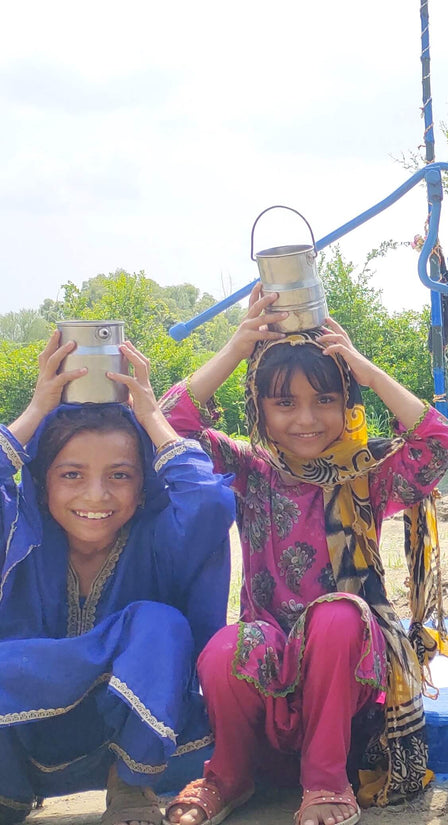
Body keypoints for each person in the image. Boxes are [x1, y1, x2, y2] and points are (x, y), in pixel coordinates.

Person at [160, 287, 448, 825]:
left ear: (348, 405)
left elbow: (437, 444)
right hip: (271, 672)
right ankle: (227, 775)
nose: (306, 419)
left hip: (354, 684)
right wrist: (235, 349)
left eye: (326, 400)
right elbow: (168, 425)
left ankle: (326, 784)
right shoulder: (251, 470)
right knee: (226, 646)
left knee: (339, 615)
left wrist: (366, 370)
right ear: (260, 408)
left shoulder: (366, 475)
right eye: (284, 403)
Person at [0, 332, 234, 825]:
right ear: (43, 482)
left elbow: (210, 503)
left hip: (137, 744)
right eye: (71, 475)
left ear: (143, 481)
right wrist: (36, 411)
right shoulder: (19, 533)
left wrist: (151, 417)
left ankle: (130, 789)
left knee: (160, 623)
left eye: (120, 475)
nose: (97, 495)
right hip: (24, 740)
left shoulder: (157, 540)